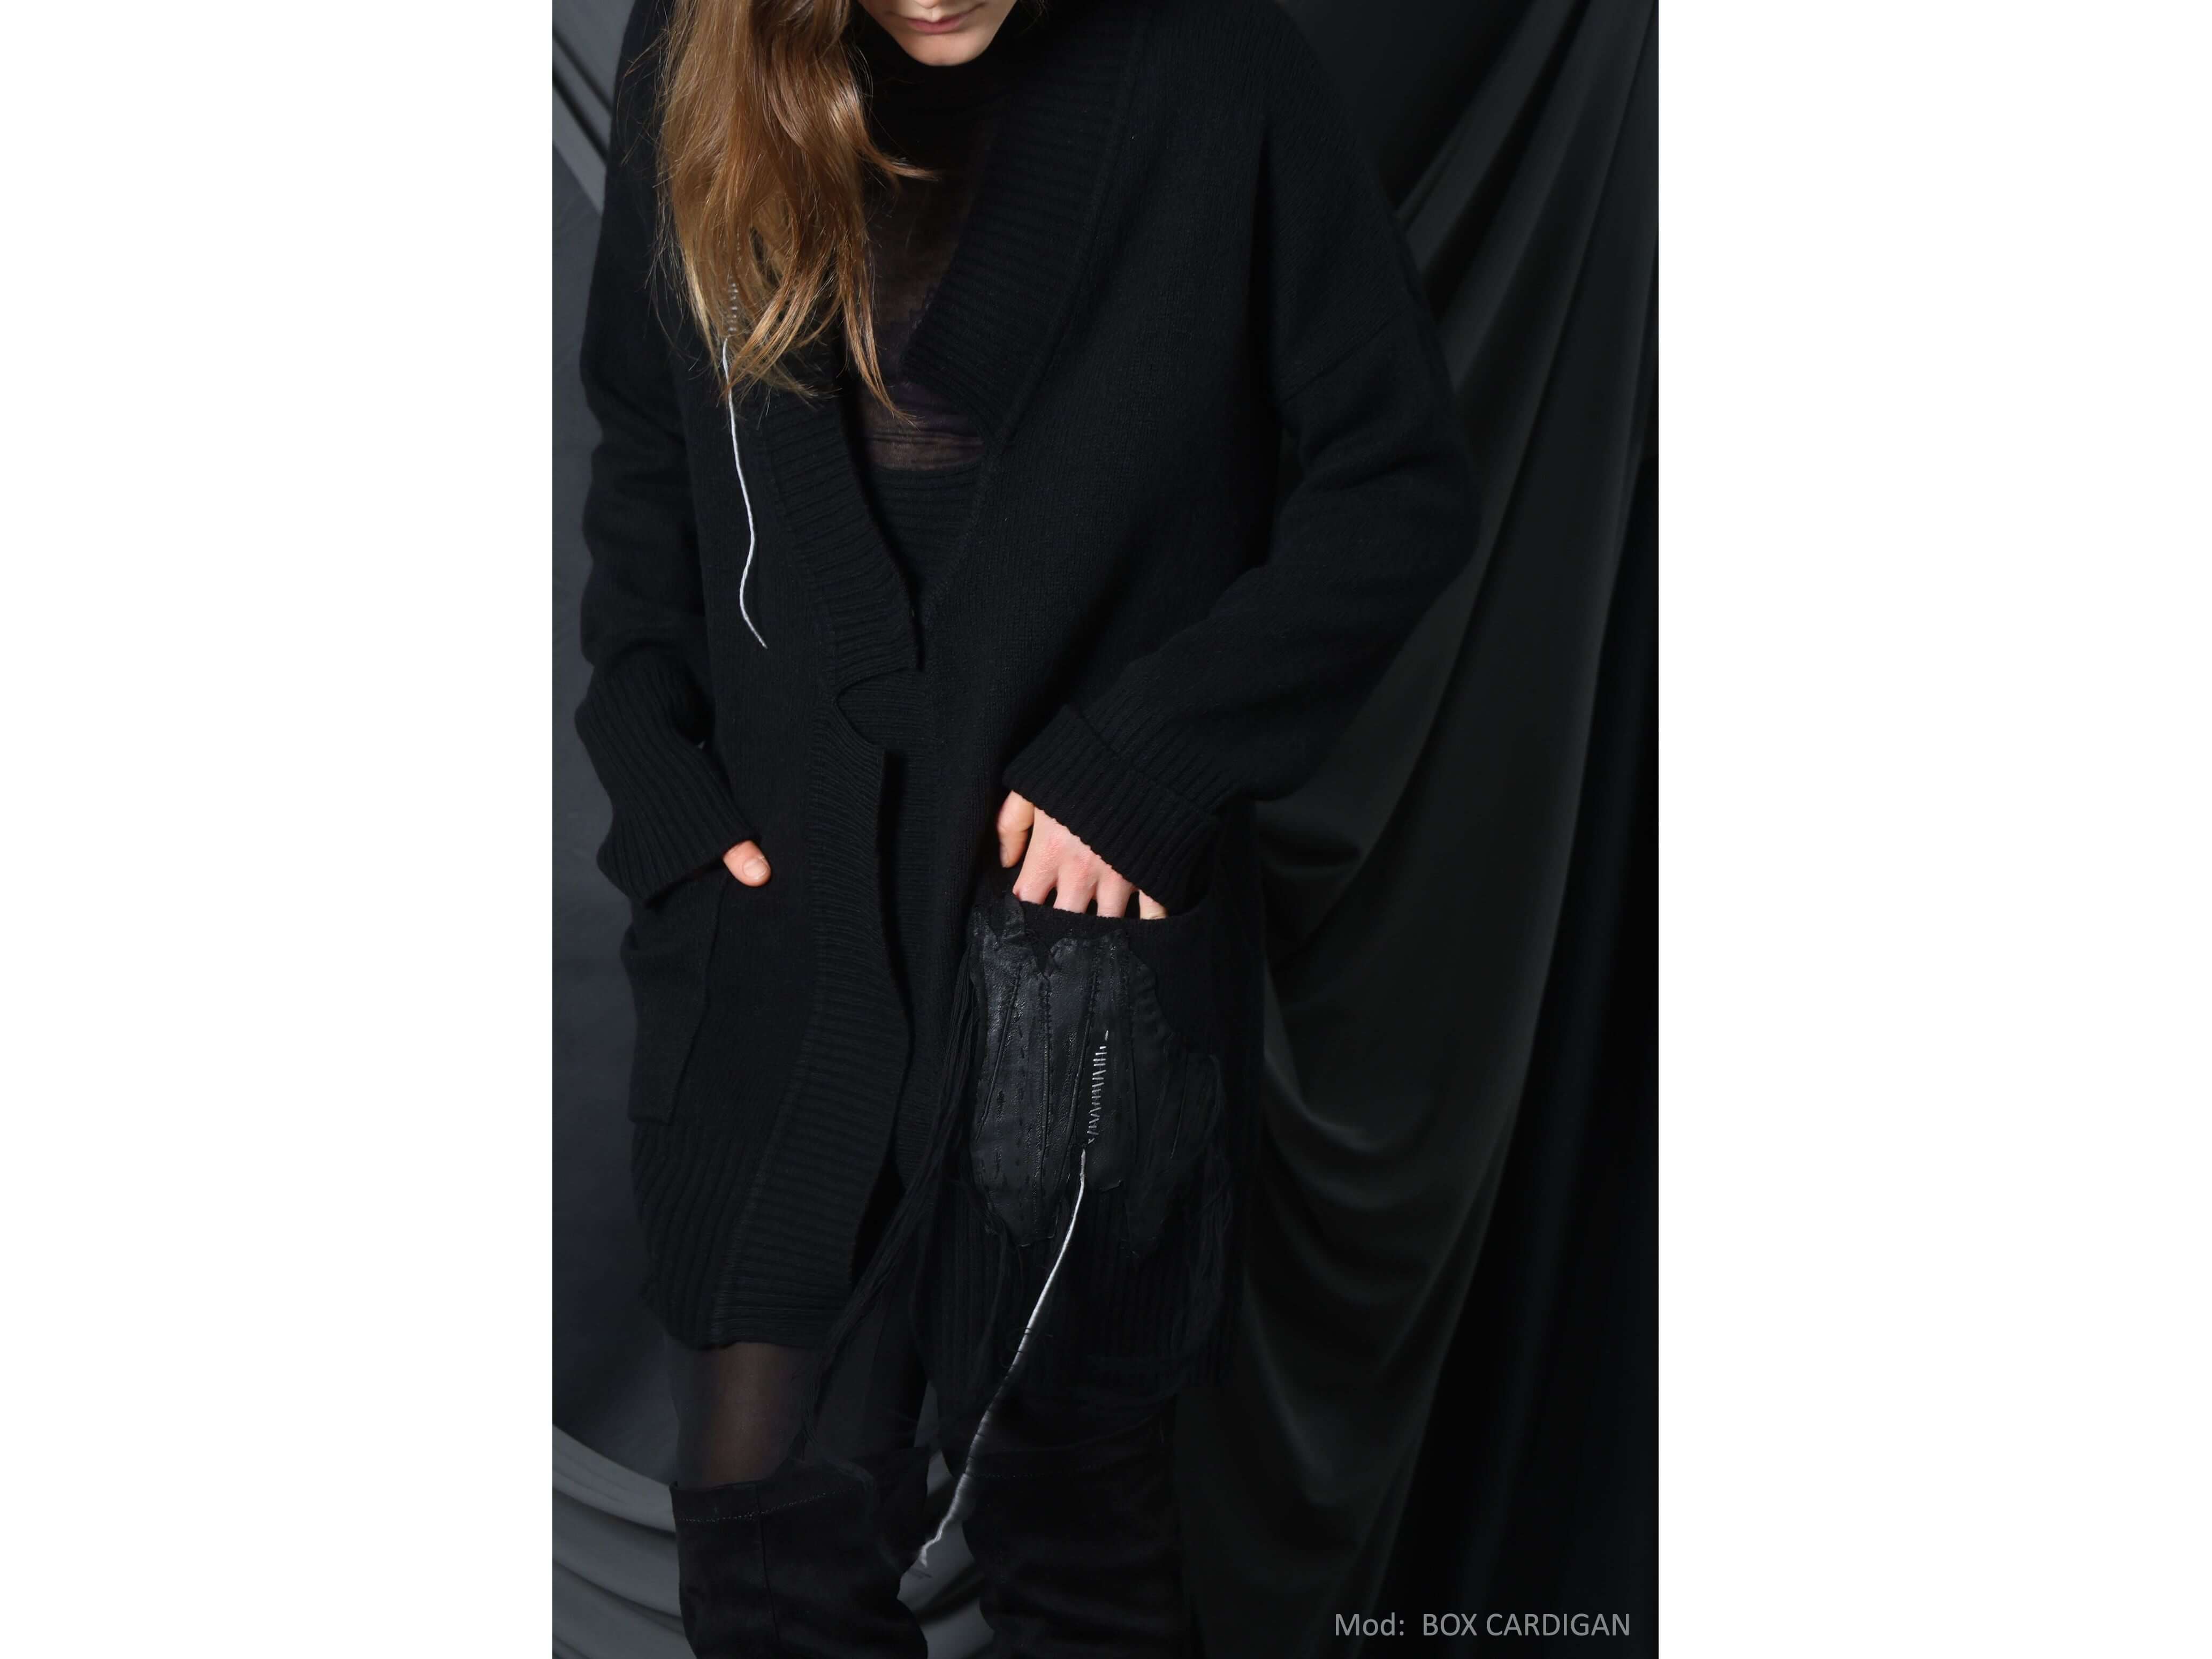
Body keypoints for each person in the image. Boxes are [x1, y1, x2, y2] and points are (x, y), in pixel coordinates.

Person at [573, 0, 1479, 1650]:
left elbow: (1398, 482)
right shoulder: (690, 53)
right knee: (767, 1567)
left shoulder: (1219, 73)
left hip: (1073, 968)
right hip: (785, 948)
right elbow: (645, 448)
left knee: (1077, 1557)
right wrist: (658, 765)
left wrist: (1148, 760)